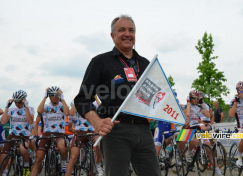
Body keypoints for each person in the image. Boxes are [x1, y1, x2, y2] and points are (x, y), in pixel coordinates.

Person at [74, 15, 160, 176]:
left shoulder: (146, 64)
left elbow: (157, 97)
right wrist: (97, 122)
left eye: (131, 30)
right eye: (122, 30)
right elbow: (82, 99)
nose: (127, 34)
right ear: (112, 36)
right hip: (115, 131)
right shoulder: (100, 62)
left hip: (143, 129)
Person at [30, 86, 69, 176]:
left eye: (56, 95)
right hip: (47, 133)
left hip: (59, 133)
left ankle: (63, 162)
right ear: (49, 96)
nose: (54, 97)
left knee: (62, 147)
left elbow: (67, 113)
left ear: (59, 96)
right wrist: (44, 97)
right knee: (38, 159)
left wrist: (62, 99)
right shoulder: (47, 106)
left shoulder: (61, 106)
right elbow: (39, 110)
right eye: (52, 95)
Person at [66, 96, 103, 176]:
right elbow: (71, 113)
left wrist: (96, 98)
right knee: (73, 156)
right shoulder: (76, 105)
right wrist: (79, 100)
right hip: (80, 133)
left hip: (92, 132)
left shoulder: (93, 103)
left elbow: (102, 109)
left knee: (99, 145)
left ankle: (98, 165)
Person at [0, 90, 34, 176]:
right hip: (13, 135)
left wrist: (26, 107)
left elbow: (30, 121)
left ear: (24, 100)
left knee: (23, 149)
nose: (17, 104)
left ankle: (26, 167)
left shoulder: (30, 109)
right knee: (3, 157)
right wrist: (6, 107)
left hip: (24, 135)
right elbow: (3, 122)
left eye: (19, 102)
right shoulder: (11, 110)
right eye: (16, 102)